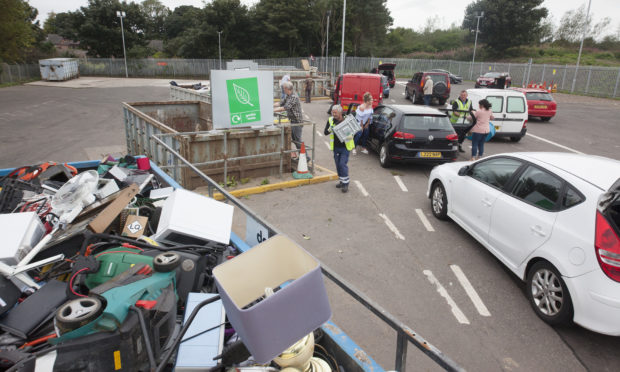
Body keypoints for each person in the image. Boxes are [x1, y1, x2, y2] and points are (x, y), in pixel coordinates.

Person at [324, 105, 355, 193]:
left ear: (340, 113)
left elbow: (354, 132)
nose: (334, 114)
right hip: (336, 147)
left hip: (345, 147)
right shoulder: (330, 120)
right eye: (332, 112)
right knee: (338, 165)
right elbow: (325, 132)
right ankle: (342, 181)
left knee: (342, 164)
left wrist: (348, 133)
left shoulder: (347, 120)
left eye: (335, 113)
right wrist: (331, 128)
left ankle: (346, 183)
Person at [274, 81, 306, 160]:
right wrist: (270, 105)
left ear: (287, 88)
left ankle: (305, 157)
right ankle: (303, 156)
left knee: (297, 140)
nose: (283, 89)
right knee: (294, 140)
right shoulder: (288, 96)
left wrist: (272, 110)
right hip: (292, 121)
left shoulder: (293, 97)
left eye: (284, 88)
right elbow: (281, 103)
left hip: (297, 122)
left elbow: (285, 107)